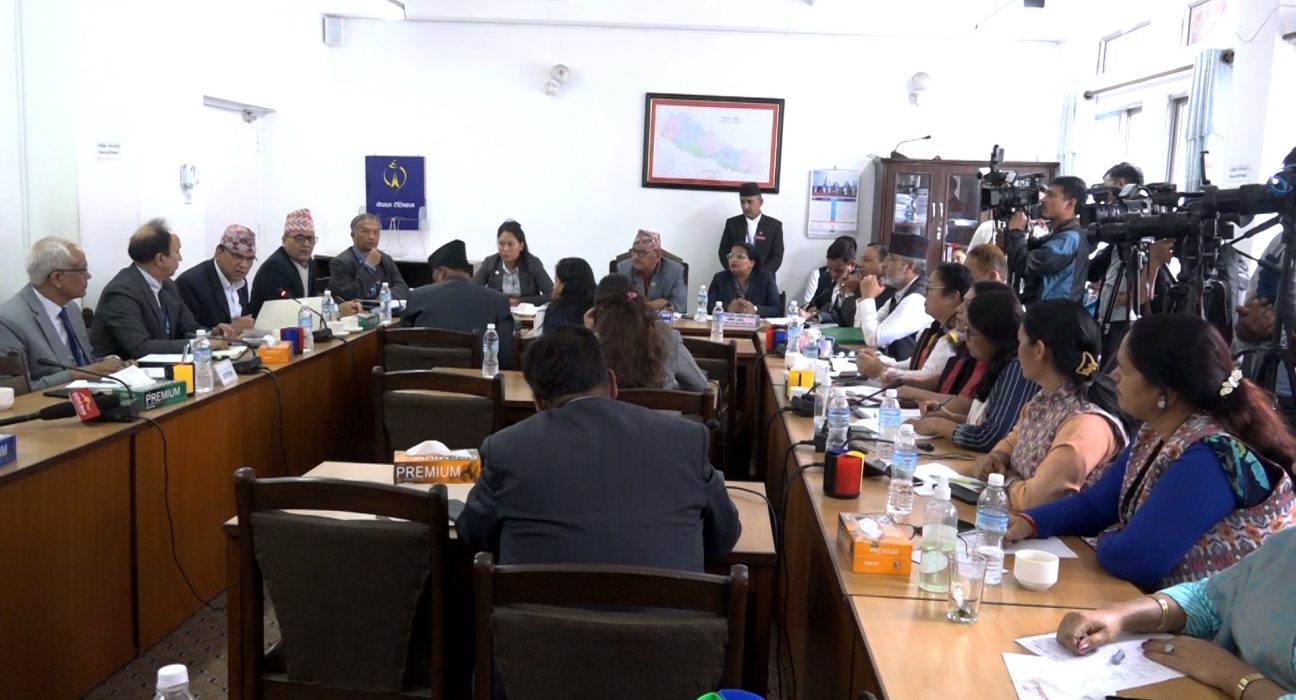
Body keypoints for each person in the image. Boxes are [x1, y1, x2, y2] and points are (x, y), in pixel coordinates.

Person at [1008, 314, 1296, 590]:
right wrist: (1032, 522)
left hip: (1216, 622)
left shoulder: (1212, 457)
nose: (1113, 375)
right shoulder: (1154, 432)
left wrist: (1110, 534)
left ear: (1163, 392)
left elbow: (1135, 559)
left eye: (1125, 370)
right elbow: (1096, 507)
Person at [455, 325, 742, 571]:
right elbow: (724, 535)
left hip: (536, 619)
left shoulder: (506, 448)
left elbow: (473, 534)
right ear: (613, 384)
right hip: (669, 617)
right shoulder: (686, 439)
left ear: (539, 402)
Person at [1053, 528, 1296, 699]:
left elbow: (1131, 554)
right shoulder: (1287, 546)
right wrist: (1120, 614)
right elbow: (1209, 598)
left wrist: (1231, 674)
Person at [976, 300, 1131, 510]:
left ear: (1039, 350)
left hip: (1052, 529)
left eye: (1020, 341)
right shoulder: (1045, 399)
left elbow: (1035, 499)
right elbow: (1014, 441)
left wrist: (1003, 480)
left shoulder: (1086, 425)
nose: (1017, 350)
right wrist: (996, 457)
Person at [908, 290, 1040, 453]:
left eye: (970, 332)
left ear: (992, 334)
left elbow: (992, 437)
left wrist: (939, 425)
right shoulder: (995, 364)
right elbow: (987, 423)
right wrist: (949, 417)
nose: (965, 338)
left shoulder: (1016, 369)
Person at [90, 219, 235, 359]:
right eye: (177, 252)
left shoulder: (168, 286)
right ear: (160, 259)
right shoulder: (121, 293)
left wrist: (211, 334)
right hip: (124, 370)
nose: (180, 258)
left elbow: (188, 327)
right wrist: (201, 344)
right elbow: (141, 348)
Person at [0, 237, 127, 389]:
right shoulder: (9, 320)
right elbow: (15, 390)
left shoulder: (71, 308)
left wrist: (111, 363)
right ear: (57, 278)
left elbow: (85, 362)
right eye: (83, 270)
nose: (88, 276)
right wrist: (74, 375)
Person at [1084, 163, 1177, 371]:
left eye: (1106, 188)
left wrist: (1130, 296)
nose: (1104, 200)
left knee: (1114, 377)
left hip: (1126, 323)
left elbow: (1146, 295)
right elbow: (1092, 270)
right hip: (1109, 319)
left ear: (1120, 184)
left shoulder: (1147, 232)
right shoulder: (1121, 237)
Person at [402, 239, 515, 369]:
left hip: (419, 380)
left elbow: (401, 346)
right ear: (468, 273)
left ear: (442, 272)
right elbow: (506, 358)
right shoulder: (498, 301)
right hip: (475, 380)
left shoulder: (416, 297)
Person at [586, 274, 706, 392]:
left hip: (610, 406)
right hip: (660, 405)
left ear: (598, 310)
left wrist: (587, 334)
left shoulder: (593, 344)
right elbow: (700, 386)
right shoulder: (669, 338)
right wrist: (670, 389)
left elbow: (581, 391)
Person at [857, 262, 970, 386]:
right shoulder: (938, 329)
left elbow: (926, 381)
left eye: (930, 288)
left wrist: (880, 372)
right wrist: (881, 362)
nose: (924, 294)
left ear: (952, 297)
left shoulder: (954, 339)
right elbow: (915, 364)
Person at [249, 208, 361, 318]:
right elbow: (286, 312)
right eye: (300, 238)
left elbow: (311, 301)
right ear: (284, 240)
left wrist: (337, 306)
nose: (307, 244)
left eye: (311, 238)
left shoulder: (310, 263)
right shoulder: (274, 268)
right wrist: (336, 311)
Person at [1003, 176, 1091, 304]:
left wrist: (1016, 232)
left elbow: (1027, 266)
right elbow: (1034, 248)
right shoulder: (1061, 234)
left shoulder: (1070, 239)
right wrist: (1011, 240)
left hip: (1055, 313)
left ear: (1071, 203)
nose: (1043, 199)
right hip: (1047, 311)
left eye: (1051, 195)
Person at [854, 232, 932, 361]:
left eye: (891, 259)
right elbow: (861, 328)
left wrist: (868, 298)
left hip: (906, 371)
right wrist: (865, 297)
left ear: (909, 267)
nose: (884, 265)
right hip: (892, 367)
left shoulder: (916, 299)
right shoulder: (900, 293)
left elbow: (874, 338)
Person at [176, 224, 257, 332]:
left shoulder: (241, 283)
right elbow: (186, 332)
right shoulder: (191, 283)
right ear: (219, 252)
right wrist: (230, 329)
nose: (244, 265)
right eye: (237, 256)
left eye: (250, 259)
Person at [327, 213, 411, 302]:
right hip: (356, 309)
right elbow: (350, 296)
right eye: (365, 231)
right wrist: (369, 266)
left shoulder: (385, 259)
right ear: (353, 235)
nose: (372, 237)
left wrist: (383, 299)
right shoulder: (340, 262)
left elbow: (402, 287)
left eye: (376, 232)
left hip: (383, 307)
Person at [472, 220, 554, 306]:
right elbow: (472, 290)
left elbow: (552, 294)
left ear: (521, 246)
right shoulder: (490, 262)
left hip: (526, 313)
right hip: (497, 311)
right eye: (501, 244)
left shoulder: (533, 263)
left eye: (510, 244)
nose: (505, 249)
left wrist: (520, 301)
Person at [717, 182, 784, 273]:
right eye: (742, 202)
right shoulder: (732, 224)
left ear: (761, 202)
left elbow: (777, 257)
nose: (745, 206)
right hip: (735, 277)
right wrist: (736, 272)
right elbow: (723, 252)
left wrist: (758, 276)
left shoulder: (774, 226)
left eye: (750, 202)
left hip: (764, 278)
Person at [614, 229, 687, 313]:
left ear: (657, 255)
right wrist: (656, 304)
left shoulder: (675, 270)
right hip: (632, 321)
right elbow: (616, 305)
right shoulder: (623, 268)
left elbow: (681, 305)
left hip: (662, 321)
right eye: (634, 251)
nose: (635, 257)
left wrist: (637, 306)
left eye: (642, 253)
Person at [707, 242, 781, 317]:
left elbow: (776, 309)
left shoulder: (765, 278)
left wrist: (754, 309)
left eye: (739, 257)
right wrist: (727, 307)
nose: (733, 260)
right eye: (731, 256)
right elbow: (709, 307)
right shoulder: (719, 278)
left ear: (751, 263)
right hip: (726, 324)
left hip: (756, 324)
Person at [800, 236, 859, 326]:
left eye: (838, 270)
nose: (833, 275)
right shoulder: (825, 277)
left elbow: (848, 318)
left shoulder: (859, 284)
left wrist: (846, 293)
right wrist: (811, 311)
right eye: (830, 269)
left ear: (852, 265)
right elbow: (813, 304)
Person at [535, 257, 595, 335]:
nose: (554, 287)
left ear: (566, 284)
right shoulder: (598, 307)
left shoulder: (556, 313)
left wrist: (554, 304)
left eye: (556, 281)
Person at [841, 242, 895, 311]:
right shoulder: (861, 283)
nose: (860, 264)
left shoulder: (890, 292)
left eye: (867, 260)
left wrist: (848, 292)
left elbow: (855, 317)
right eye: (861, 260)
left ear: (885, 263)